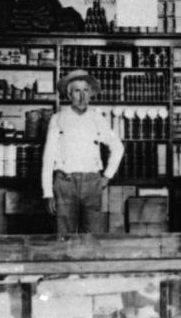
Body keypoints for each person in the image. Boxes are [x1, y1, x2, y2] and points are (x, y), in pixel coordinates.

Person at [41, 69, 124, 233]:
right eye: (77, 91)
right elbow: (48, 157)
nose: (82, 96)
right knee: (64, 236)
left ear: (91, 93)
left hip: (92, 183)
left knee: (92, 237)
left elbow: (118, 147)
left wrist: (107, 176)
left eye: (86, 90)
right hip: (65, 183)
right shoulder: (57, 119)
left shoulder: (98, 119)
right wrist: (47, 192)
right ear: (69, 94)